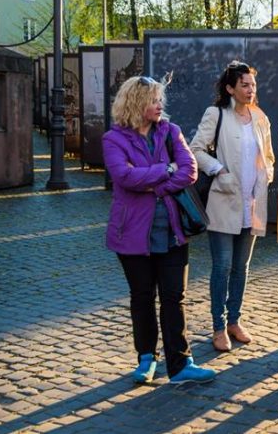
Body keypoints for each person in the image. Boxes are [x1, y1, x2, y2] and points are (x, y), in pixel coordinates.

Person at [102, 76, 216, 385]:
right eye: (154, 100)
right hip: (131, 234)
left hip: (173, 231)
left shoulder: (171, 132)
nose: (160, 105)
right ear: (137, 104)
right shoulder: (114, 139)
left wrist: (152, 184)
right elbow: (124, 177)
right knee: (142, 297)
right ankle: (147, 359)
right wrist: (165, 171)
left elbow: (190, 170)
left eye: (159, 99)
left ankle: (180, 363)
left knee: (173, 297)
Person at [190, 61, 275, 353]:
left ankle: (234, 321)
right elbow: (195, 150)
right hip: (224, 201)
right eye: (244, 85)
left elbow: (269, 156)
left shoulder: (260, 119)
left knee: (242, 267)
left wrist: (268, 173)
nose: (251, 90)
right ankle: (218, 325)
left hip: (252, 202)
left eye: (253, 84)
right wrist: (219, 170)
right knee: (223, 266)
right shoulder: (217, 114)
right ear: (230, 88)